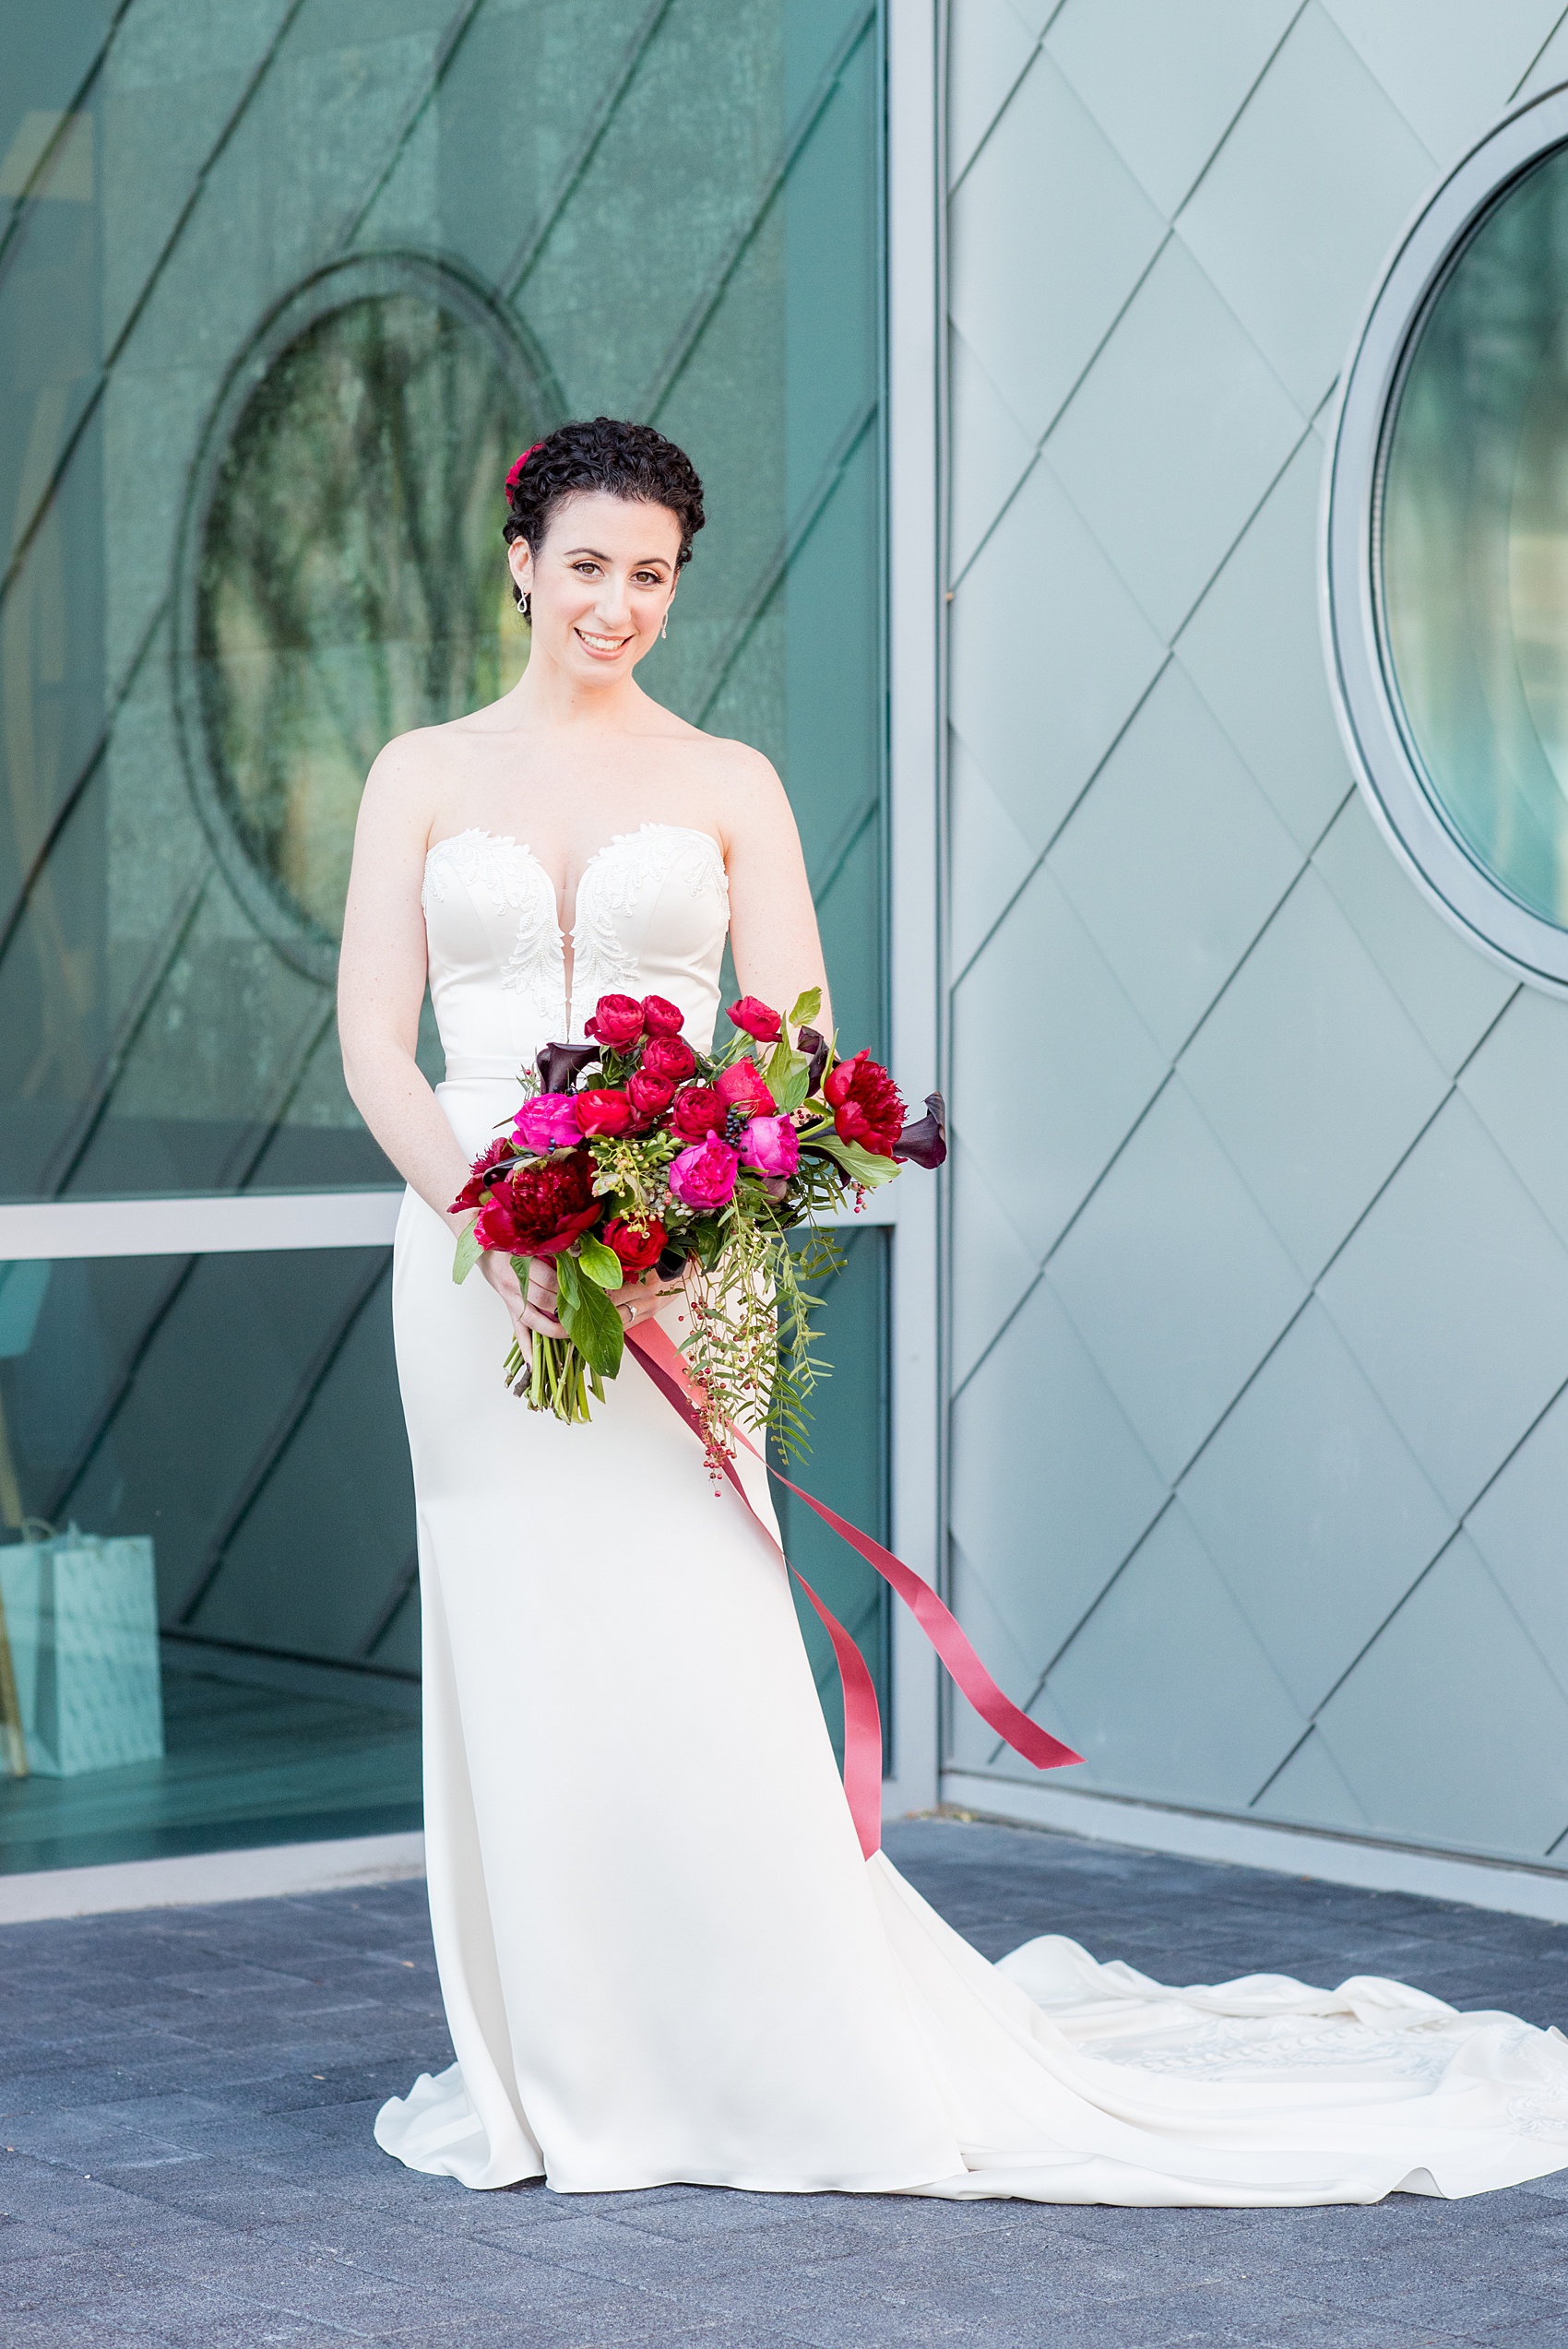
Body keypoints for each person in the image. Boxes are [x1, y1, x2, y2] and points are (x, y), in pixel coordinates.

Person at [339, 417, 1568, 2205]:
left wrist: (692, 1218)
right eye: (587, 564)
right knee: (523, 1646)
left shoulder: (730, 777)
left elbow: (793, 1053)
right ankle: (564, 2060)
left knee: (693, 1642)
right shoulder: (417, 771)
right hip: (472, 1272)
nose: (616, 603)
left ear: (679, 586)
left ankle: (755, 2040)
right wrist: (488, 1208)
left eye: (652, 575)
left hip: (691, 1260)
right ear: (521, 556)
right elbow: (377, 1039)